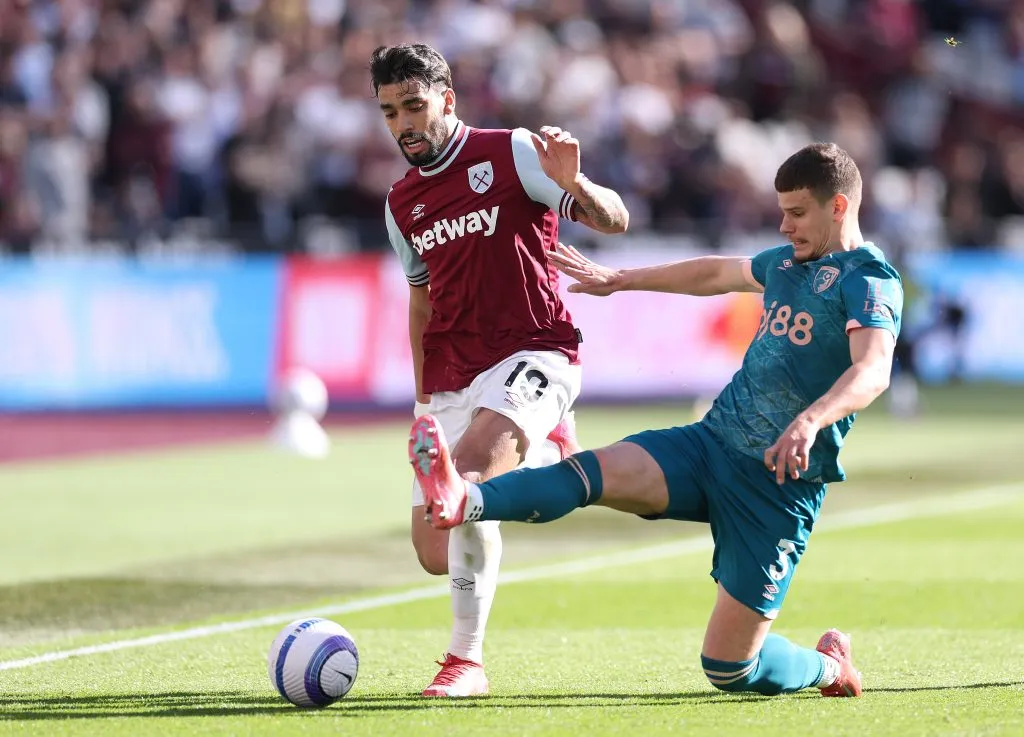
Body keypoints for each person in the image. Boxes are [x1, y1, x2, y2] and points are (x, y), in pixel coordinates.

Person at [409, 143, 903, 698]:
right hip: (709, 447)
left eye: (797, 213)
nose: (784, 226)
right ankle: (464, 498)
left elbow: (873, 370)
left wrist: (811, 421)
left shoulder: (870, 279)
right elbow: (714, 272)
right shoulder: (788, 263)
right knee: (591, 474)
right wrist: (621, 279)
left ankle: (830, 667)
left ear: (838, 206)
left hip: (777, 488)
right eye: (782, 212)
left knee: (729, 669)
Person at [372, 43, 630, 697]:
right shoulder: (401, 203)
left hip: (534, 350)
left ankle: (466, 661)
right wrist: (422, 401)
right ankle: (544, 448)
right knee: (435, 550)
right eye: (390, 112)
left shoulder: (511, 152)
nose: (403, 124)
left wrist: (577, 185)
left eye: (413, 106)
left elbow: (616, 221)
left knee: (464, 482)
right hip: (454, 371)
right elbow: (421, 301)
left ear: (447, 100)